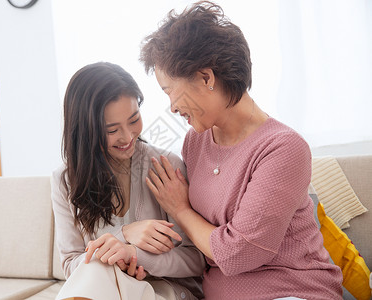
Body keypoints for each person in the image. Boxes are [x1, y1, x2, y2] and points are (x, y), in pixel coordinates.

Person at [139, 2, 344, 299]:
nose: (171, 107)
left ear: (206, 78)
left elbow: (238, 254)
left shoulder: (283, 148)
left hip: (292, 292)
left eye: (169, 90)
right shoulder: (195, 142)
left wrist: (181, 209)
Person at [51, 62, 206, 300]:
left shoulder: (165, 166)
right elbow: (73, 265)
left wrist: (133, 253)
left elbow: (196, 260)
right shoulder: (65, 180)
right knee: (95, 272)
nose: (127, 136)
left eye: (134, 119)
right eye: (112, 130)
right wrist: (123, 235)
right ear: (87, 131)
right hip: (104, 288)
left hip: (165, 292)